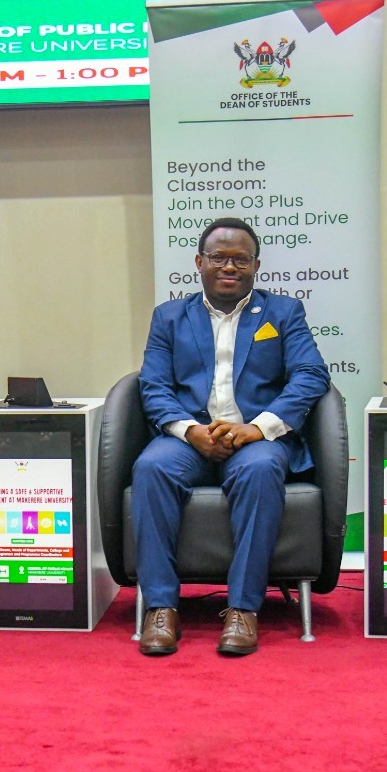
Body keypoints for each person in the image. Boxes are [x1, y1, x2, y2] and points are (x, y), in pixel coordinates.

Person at [132, 217, 329, 657]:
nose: (229, 267)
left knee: (261, 470)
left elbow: (311, 375)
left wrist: (258, 428)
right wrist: (190, 430)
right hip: (187, 437)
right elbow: (153, 386)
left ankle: (243, 608)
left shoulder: (283, 313)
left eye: (240, 259)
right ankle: (161, 608)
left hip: (254, 439)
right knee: (150, 467)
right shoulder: (169, 317)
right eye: (219, 257)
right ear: (198, 262)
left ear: (256, 265)